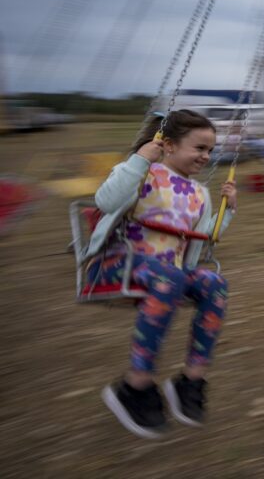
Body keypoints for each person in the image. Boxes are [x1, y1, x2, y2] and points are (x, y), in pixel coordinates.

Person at [85, 110, 237, 438]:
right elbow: (106, 200)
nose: (206, 156)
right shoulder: (142, 172)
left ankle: (191, 380)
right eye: (199, 148)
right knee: (170, 276)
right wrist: (140, 159)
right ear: (167, 145)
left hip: (170, 273)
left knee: (215, 283)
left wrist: (228, 211)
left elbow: (205, 237)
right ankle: (135, 386)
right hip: (119, 263)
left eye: (210, 150)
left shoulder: (200, 194)